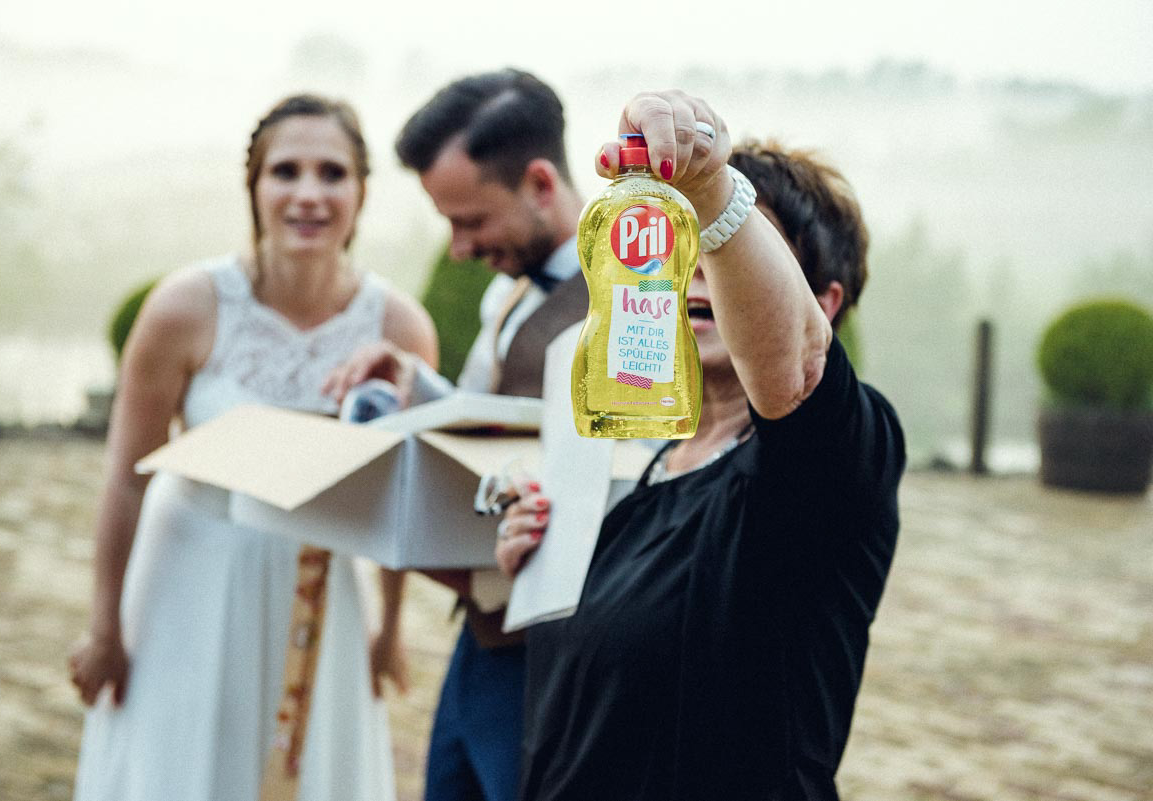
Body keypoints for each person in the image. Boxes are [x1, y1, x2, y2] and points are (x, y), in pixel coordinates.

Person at [495, 91, 906, 800]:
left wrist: (712, 187)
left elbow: (797, 372)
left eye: (731, 246)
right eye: (688, 241)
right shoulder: (656, 461)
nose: (696, 270)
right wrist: (538, 564)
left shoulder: (840, 457)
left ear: (824, 304)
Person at [68, 93, 438, 801]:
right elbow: (125, 477)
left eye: (332, 173)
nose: (308, 194)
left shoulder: (398, 324)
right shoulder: (186, 306)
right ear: (254, 186)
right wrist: (104, 628)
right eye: (285, 171)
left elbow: (402, 490)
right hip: (191, 580)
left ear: (361, 192)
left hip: (326, 589)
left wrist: (390, 626)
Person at [323, 69, 585, 801]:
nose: (460, 248)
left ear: (540, 183)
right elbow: (494, 415)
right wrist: (416, 385)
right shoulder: (509, 290)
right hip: (480, 639)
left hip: (551, 667)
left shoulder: (635, 307)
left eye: (471, 221)